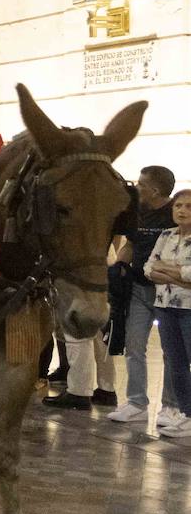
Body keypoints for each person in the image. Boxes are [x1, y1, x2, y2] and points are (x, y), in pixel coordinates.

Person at [110, 165, 179, 424]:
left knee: (170, 351)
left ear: (155, 190)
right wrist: (117, 269)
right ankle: (137, 402)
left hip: (168, 292)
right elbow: (130, 244)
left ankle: (171, 406)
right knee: (134, 345)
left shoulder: (175, 214)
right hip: (138, 289)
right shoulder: (138, 213)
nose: (136, 188)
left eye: (140, 184)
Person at [146, 189, 191, 438]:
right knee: (176, 363)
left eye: (188, 207)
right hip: (165, 306)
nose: (182, 211)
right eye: (178, 206)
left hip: (189, 309)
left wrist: (170, 271)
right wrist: (179, 274)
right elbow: (149, 267)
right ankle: (187, 413)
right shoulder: (166, 235)